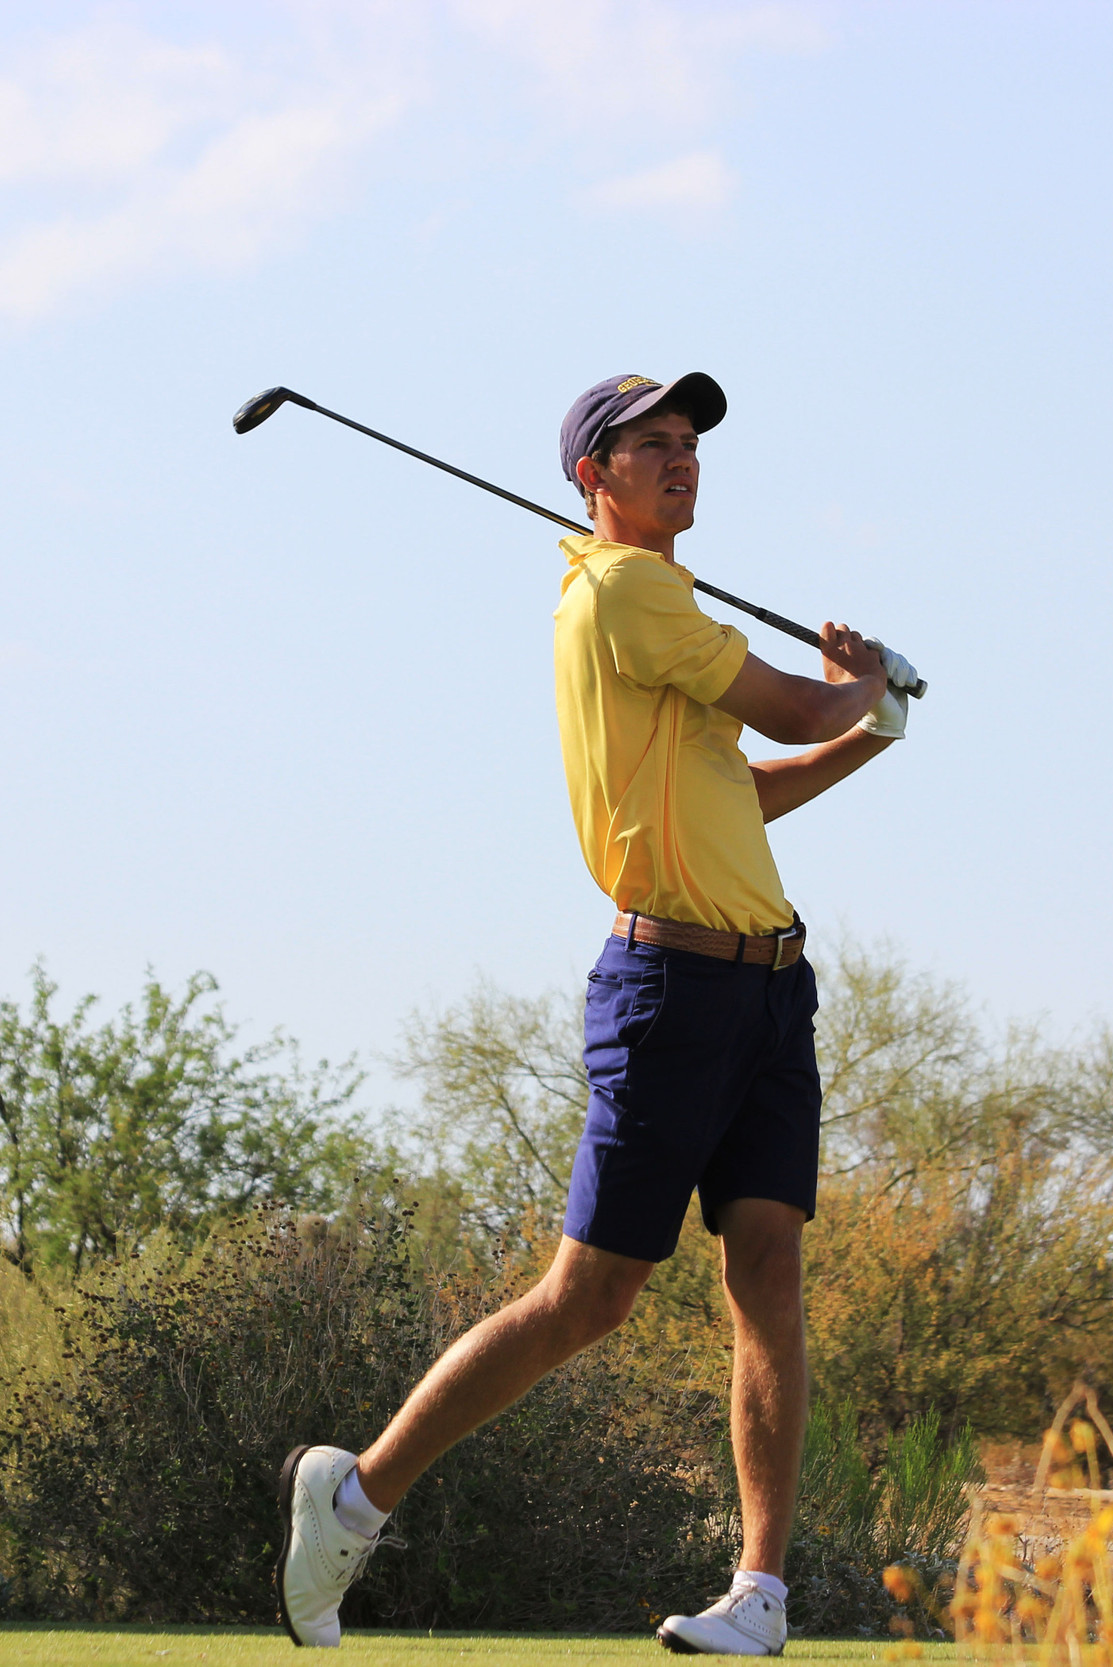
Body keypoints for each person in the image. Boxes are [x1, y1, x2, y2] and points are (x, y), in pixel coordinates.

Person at [277, 372, 917, 1655]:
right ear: (594, 474)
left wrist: (866, 728)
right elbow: (792, 703)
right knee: (591, 1295)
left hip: (769, 986)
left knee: (769, 1275)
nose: (681, 461)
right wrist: (862, 681)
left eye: (690, 445)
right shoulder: (626, 592)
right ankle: (353, 1496)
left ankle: (761, 1593)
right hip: (669, 989)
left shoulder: (662, 612)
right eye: (651, 446)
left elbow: (750, 786)